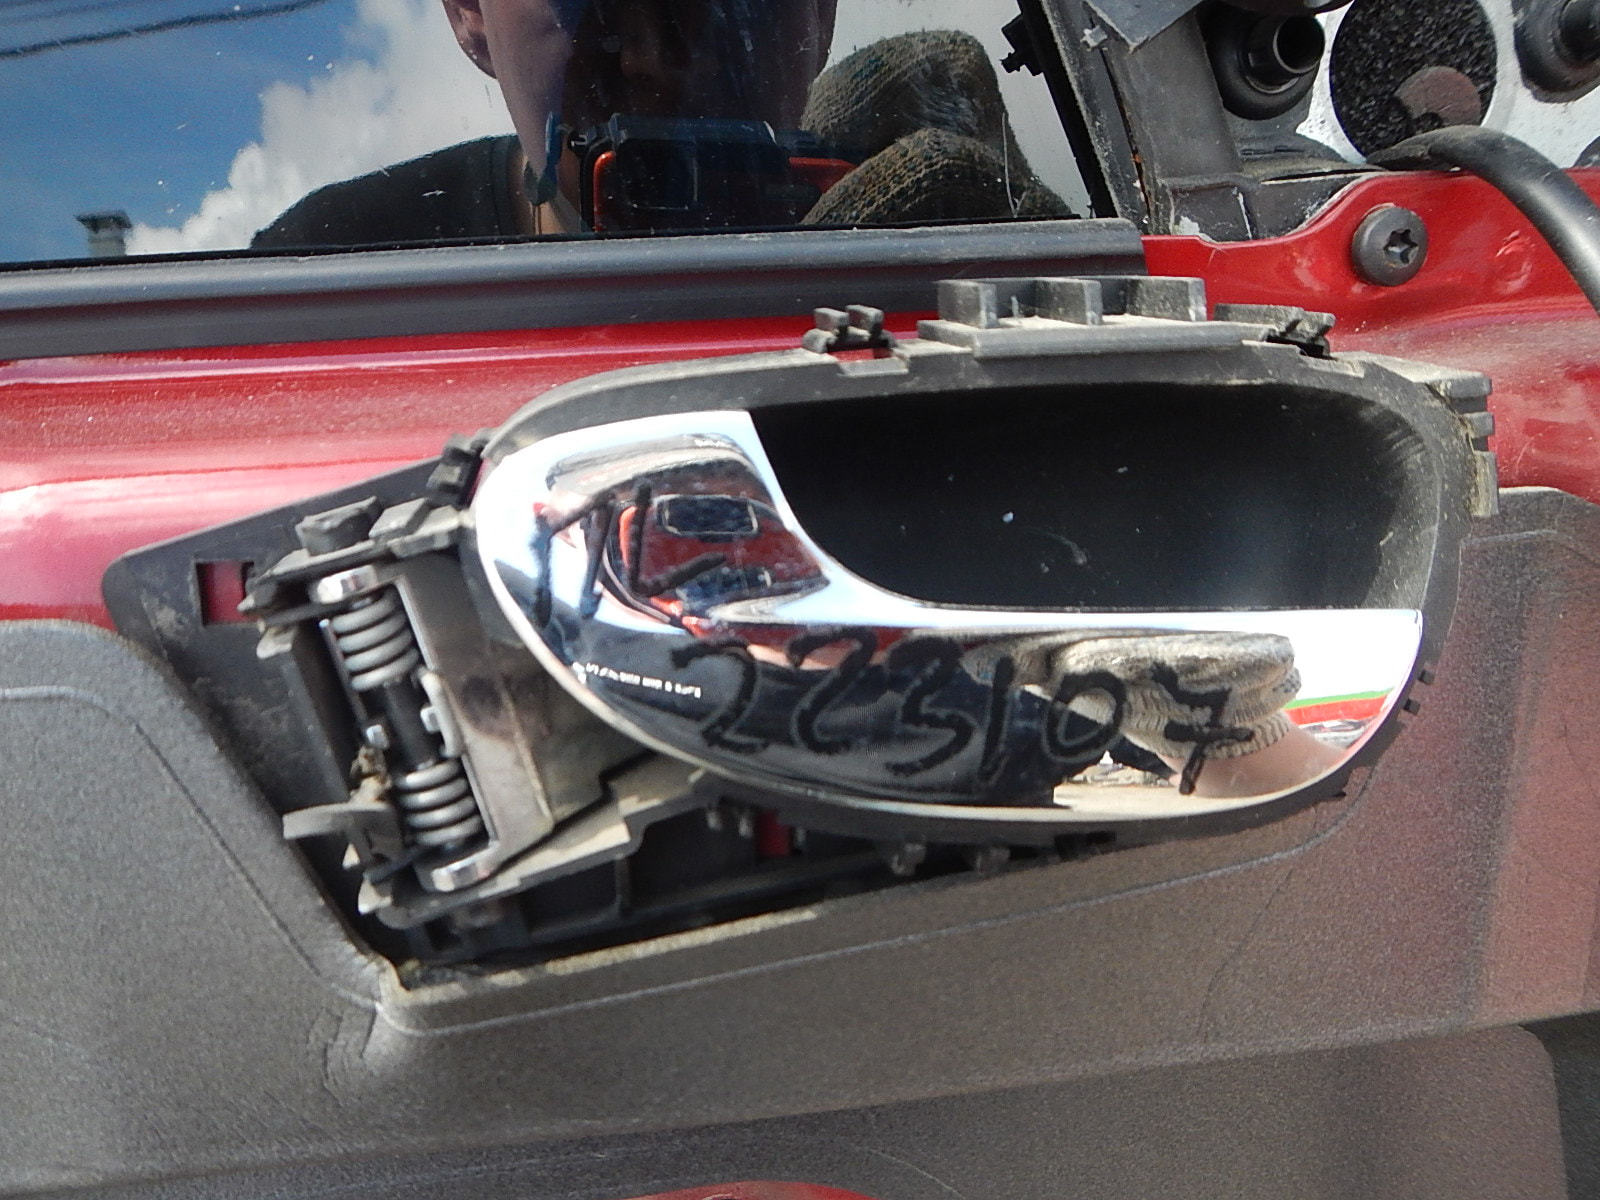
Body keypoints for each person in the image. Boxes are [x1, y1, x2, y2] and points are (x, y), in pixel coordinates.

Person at [252, 0, 1070, 248]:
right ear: (470, 11)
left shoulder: (940, 255)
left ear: (818, 15)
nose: (652, 62)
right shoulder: (322, 263)